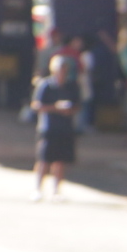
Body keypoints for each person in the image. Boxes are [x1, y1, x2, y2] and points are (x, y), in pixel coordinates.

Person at [31, 52, 82, 197]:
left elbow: (77, 105)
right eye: (60, 69)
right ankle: (38, 189)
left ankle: (56, 190)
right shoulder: (45, 85)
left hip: (65, 127)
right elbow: (36, 105)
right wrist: (55, 108)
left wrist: (69, 110)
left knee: (60, 160)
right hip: (48, 127)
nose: (62, 72)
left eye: (64, 69)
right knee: (44, 159)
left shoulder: (72, 86)